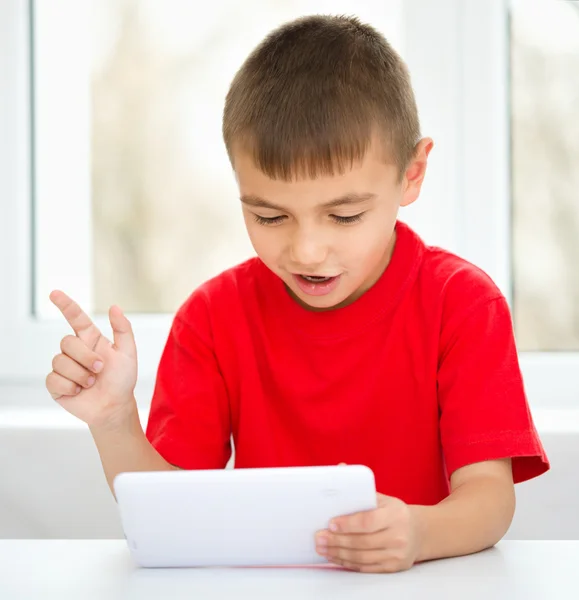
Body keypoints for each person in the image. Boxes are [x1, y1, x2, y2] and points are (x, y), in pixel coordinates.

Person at [45, 15, 549, 573]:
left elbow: (490, 499)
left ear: (412, 173)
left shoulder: (463, 304)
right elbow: (172, 511)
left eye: (344, 215)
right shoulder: (212, 318)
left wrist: (420, 531)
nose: (306, 251)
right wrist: (115, 419)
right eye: (269, 215)